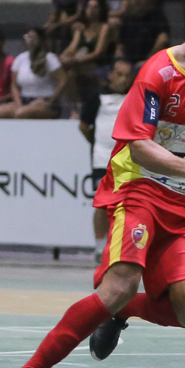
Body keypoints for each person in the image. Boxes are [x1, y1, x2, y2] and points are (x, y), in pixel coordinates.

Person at [2, 0, 185, 368]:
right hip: (136, 188)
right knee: (120, 282)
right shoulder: (159, 71)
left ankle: (120, 313)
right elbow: (139, 146)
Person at [79, 58, 136, 262]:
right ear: (110, 75)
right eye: (119, 74)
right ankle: (99, 248)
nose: (123, 79)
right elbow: (84, 127)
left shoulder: (135, 97)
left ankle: (124, 247)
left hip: (130, 161)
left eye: (127, 75)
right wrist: (98, 146)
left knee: (128, 205)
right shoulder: (97, 98)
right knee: (102, 205)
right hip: (102, 160)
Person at [0, 28, 64, 119]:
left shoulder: (50, 58)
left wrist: (49, 100)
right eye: (28, 37)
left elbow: (63, 80)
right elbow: (14, 85)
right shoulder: (21, 58)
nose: (30, 40)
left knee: (22, 113)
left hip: (45, 101)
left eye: (33, 37)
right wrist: (19, 103)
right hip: (24, 100)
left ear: (41, 40)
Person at [115, 0, 170, 68]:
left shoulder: (158, 18)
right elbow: (120, 45)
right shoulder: (127, 19)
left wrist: (148, 60)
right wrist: (119, 61)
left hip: (149, 63)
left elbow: (162, 40)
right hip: (127, 63)